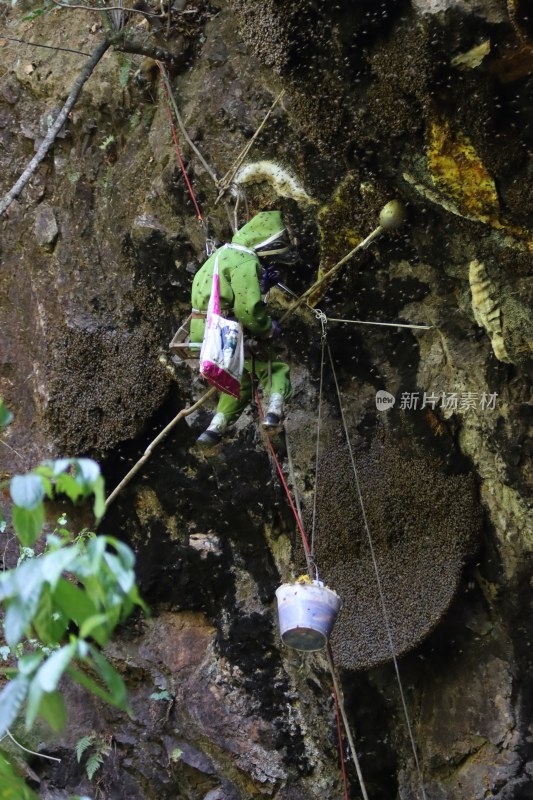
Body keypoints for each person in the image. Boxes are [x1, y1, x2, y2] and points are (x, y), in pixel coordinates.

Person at [190, 210, 295, 447]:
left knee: (243, 378)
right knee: (274, 368)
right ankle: (274, 413)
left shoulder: (220, 255)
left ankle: (215, 428)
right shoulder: (245, 261)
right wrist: (268, 328)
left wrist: (262, 287)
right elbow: (248, 311)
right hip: (224, 334)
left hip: (202, 331)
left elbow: (220, 294)